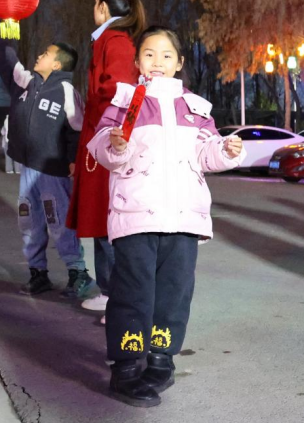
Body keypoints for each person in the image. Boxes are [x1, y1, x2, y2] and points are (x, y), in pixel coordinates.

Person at [88, 27, 243, 407]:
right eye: (149, 54)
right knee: (132, 292)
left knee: (174, 293)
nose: (158, 62)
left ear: (179, 63)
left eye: (166, 55)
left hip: (183, 219)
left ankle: (161, 360)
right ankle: (126, 368)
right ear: (138, 61)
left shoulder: (196, 108)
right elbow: (101, 145)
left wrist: (225, 149)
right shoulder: (126, 101)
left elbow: (206, 153)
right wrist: (115, 145)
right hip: (136, 215)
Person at [0, 18, 97, 298]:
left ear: (57, 65)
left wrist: (73, 159)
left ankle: (78, 273)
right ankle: (38, 274)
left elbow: (78, 129)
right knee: (29, 221)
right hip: (29, 168)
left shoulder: (66, 92)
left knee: (57, 220)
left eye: (46, 54)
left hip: (53, 171)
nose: (39, 56)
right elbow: (9, 65)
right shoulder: (27, 83)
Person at [69, 0, 145, 317]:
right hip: (102, 139)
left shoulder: (115, 41)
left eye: (94, 4)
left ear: (102, 6)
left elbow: (116, 92)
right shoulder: (111, 39)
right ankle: (109, 291)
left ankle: (118, 297)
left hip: (107, 142)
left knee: (108, 219)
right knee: (102, 219)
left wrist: (101, 131)